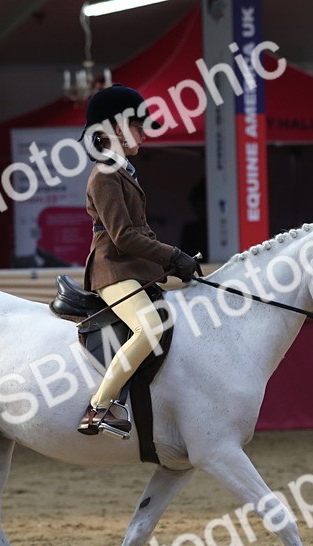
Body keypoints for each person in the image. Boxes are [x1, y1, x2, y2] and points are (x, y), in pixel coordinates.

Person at [77, 84, 200, 437]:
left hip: (131, 268)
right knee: (150, 327)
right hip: (112, 271)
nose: (144, 135)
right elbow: (123, 236)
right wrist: (172, 255)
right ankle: (99, 407)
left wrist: (173, 263)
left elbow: (141, 234)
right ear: (116, 128)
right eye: (138, 127)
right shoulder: (104, 176)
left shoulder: (123, 171)